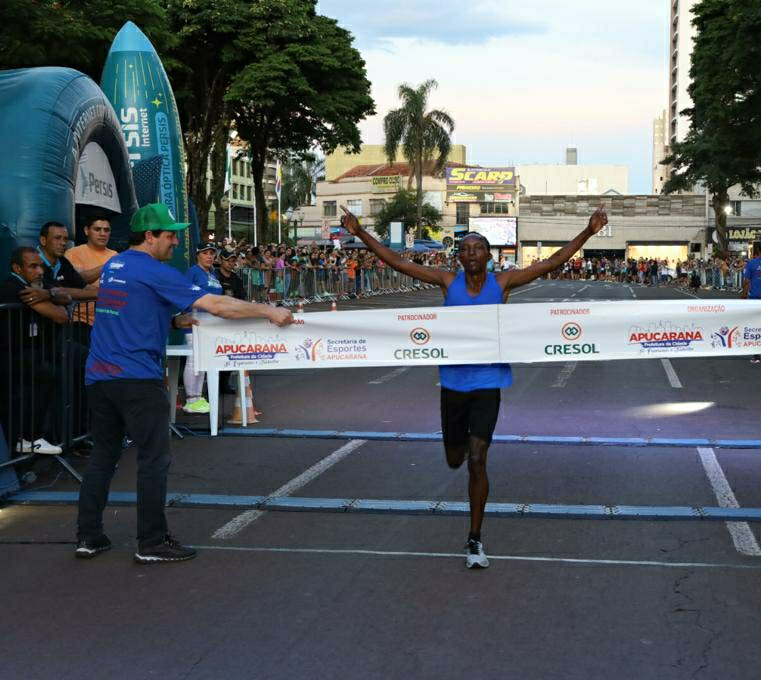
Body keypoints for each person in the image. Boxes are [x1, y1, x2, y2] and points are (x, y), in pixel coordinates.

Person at [341, 203, 608, 569]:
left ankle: (474, 538)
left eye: (477, 248)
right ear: (459, 258)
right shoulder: (448, 282)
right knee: (456, 459)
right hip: (453, 383)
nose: (470, 253)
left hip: (488, 381)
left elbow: (551, 262)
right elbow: (398, 263)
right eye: (464, 249)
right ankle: (463, 449)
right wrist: (359, 233)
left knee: (478, 458)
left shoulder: (503, 283)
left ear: (487, 256)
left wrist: (588, 232)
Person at [76, 203, 293, 564]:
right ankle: (152, 541)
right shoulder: (154, 270)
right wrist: (267, 311)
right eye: (169, 234)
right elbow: (217, 305)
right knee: (153, 460)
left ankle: (89, 535)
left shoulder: (116, 265)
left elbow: (136, 307)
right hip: (137, 379)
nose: (175, 241)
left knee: (103, 456)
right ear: (149, 236)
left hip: (99, 376)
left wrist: (175, 322)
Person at [0, 247, 71, 456]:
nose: (40, 271)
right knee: (44, 374)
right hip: (11, 354)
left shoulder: (39, 285)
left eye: (40, 265)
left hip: (30, 351)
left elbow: (66, 297)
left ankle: (36, 436)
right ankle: (29, 438)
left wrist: (48, 293)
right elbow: (61, 315)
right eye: (33, 266)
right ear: (17, 268)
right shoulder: (19, 288)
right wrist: (51, 298)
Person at [182, 243, 224, 415]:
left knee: (204, 360)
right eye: (205, 253)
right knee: (193, 359)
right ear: (197, 255)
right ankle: (191, 398)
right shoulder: (192, 272)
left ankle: (198, 397)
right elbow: (184, 294)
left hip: (211, 323)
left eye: (212, 253)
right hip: (195, 321)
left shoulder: (212, 274)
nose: (209, 256)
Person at [66, 215, 118, 343]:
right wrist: (106, 266)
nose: (102, 234)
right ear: (86, 231)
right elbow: (79, 280)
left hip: (110, 322)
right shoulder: (74, 253)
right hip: (81, 322)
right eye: (97, 229)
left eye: (106, 230)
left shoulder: (115, 255)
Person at [37, 222, 98, 302]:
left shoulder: (63, 262)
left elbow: (83, 286)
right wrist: (101, 294)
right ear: (43, 240)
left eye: (65, 239)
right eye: (57, 238)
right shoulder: (33, 262)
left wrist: (112, 294)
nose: (63, 243)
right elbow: (57, 291)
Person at [742, 242, 761, 364]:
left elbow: (747, 281)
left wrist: (743, 296)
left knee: (756, 326)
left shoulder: (752, 263)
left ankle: (756, 356)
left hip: (755, 299)